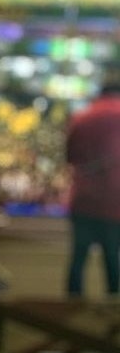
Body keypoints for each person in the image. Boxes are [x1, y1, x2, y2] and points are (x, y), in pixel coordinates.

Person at [64, 78, 120, 297]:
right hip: (115, 200)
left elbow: (69, 156)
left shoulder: (82, 117)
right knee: (112, 256)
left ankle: (72, 305)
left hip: (83, 198)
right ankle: (113, 306)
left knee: (78, 256)